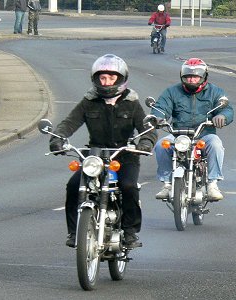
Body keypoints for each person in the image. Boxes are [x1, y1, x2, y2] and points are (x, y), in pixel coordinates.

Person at [49, 54, 158, 248]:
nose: (106, 82)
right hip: (96, 155)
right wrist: (57, 138)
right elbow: (69, 122)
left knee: (129, 186)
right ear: (96, 78)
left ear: (121, 79)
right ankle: (75, 232)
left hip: (125, 155)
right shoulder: (89, 101)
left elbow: (147, 129)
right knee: (74, 186)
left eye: (111, 77)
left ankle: (130, 232)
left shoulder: (131, 102)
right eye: (102, 78)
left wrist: (146, 143)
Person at [151, 58, 234, 201]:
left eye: (195, 77)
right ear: (182, 76)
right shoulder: (172, 92)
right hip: (178, 135)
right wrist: (157, 117)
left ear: (204, 77)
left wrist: (222, 116)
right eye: (188, 76)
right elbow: (160, 107)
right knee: (161, 145)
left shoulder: (215, 92)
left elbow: (227, 109)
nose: (191, 80)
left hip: (204, 134)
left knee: (216, 144)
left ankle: (212, 183)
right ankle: (167, 184)